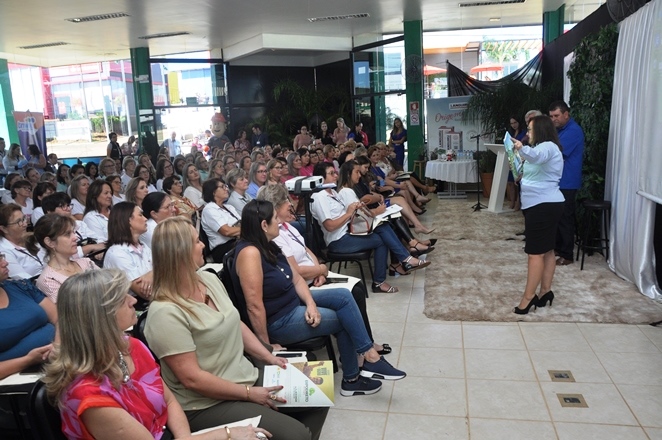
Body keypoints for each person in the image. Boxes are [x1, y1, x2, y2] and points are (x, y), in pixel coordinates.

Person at [145, 217, 322, 440]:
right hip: (205, 403)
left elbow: (235, 322)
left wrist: (268, 356)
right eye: (196, 241)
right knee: (297, 434)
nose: (203, 246)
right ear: (179, 253)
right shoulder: (164, 312)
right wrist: (249, 394)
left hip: (242, 376)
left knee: (318, 392)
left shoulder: (207, 279)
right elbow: (193, 379)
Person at [43, 269, 269, 440]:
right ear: (101, 316)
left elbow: (168, 400)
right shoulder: (89, 396)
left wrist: (186, 438)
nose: (133, 301)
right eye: (123, 299)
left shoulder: (130, 346)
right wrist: (228, 433)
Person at [235, 199, 406, 396]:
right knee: (343, 319)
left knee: (344, 296)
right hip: (279, 320)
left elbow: (297, 278)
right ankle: (355, 376)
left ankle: (368, 356)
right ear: (264, 225)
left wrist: (311, 304)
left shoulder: (269, 245)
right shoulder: (249, 254)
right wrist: (266, 347)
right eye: (275, 219)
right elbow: (253, 305)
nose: (279, 222)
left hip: (292, 304)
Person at [256, 184, 391, 355]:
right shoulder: (275, 235)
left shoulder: (287, 226)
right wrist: (320, 270)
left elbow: (306, 249)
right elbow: (295, 271)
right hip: (303, 285)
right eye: (285, 201)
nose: (290, 204)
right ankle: (364, 349)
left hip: (314, 276)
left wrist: (319, 270)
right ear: (275, 207)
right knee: (352, 295)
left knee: (356, 290)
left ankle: (366, 345)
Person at [311, 162, 429, 293]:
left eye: (335, 172)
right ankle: (398, 265)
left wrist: (358, 210)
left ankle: (402, 262)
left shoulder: (333, 192)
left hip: (348, 232)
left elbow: (349, 213)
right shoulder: (319, 197)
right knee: (381, 237)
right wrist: (350, 213)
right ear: (321, 178)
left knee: (382, 225)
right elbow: (330, 226)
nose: (336, 175)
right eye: (331, 173)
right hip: (338, 240)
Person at [511, 115, 565, 314]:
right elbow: (537, 168)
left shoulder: (547, 147)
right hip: (545, 204)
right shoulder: (544, 148)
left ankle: (528, 297)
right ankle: (545, 291)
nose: (527, 134)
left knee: (535, 254)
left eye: (531, 130)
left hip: (543, 206)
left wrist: (520, 147)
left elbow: (536, 157)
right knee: (548, 250)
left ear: (540, 131)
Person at [0, 251, 56, 380]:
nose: (5, 262)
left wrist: (58, 344)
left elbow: (59, 318)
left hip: (59, 355)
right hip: (18, 380)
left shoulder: (20, 287)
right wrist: (28, 360)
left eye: (2, 256)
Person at [549, 101, 585, 266]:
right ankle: (557, 247)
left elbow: (558, 153)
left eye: (556, 116)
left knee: (565, 218)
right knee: (557, 217)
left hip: (567, 181)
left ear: (566, 114)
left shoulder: (573, 131)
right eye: (551, 116)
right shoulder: (561, 130)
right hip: (559, 180)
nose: (553, 119)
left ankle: (567, 254)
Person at [33, 214, 98, 303]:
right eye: (67, 234)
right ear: (50, 242)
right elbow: (71, 311)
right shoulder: (48, 280)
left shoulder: (86, 262)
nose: (76, 238)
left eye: (73, 232)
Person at [103, 202, 153, 302]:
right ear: (128, 221)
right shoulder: (117, 253)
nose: (145, 218)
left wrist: (152, 274)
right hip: (133, 306)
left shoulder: (143, 246)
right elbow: (145, 292)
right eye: (140, 215)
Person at [201, 179, 241, 262]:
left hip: (237, 241)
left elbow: (242, 224)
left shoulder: (229, 207)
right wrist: (250, 229)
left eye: (226, 186)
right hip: (224, 249)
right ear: (213, 192)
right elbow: (226, 231)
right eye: (222, 187)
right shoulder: (209, 209)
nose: (226, 189)